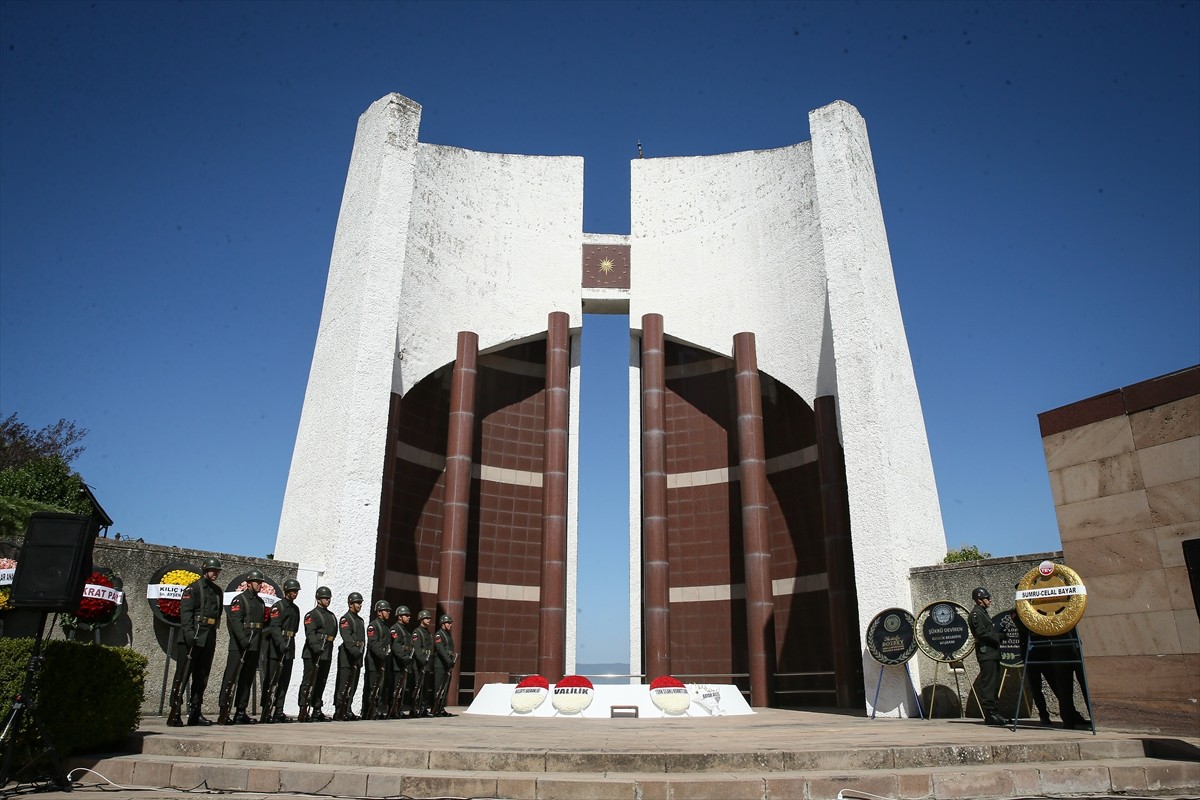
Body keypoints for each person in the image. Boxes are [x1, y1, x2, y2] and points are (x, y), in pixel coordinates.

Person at [176, 556, 224, 726]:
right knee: (183, 675)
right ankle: (175, 710)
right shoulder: (194, 588)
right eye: (213, 570)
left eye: (217, 571)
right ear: (205, 570)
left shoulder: (218, 591)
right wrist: (189, 634)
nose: (215, 573)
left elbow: (217, 614)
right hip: (193, 635)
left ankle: (195, 711)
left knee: (201, 677)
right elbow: (186, 613)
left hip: (208, 636)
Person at [218, 569, 266, 724]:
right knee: (231, 677)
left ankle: (241, 710)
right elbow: (236, 622)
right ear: (248, 583)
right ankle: (224, 709)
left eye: (260, 582)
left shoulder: (260, 602)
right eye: (256, 582)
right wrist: (243, 639)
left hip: (254, 644)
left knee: (247, 678)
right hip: (239, 645)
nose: (259, 585)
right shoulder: (240, 600)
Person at [262, 577, 301, 723]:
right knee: (272, 679)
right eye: (292, 591)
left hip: (289, 646)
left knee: (284, 680)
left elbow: (295, 628)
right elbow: (275, 627)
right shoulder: (278, 607)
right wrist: (280, 643)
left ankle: (279, 709)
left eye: (296, 591)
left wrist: (287, 646)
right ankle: (266, 708)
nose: (295, 593)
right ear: (286, 591)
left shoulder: (295, 609)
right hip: (277, 647)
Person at [968, 586, 1006, 726]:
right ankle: (990, 713)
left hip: (992, 653)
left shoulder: (983, 612)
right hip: (986, 653)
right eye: (987, 598)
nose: (990, 600)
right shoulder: (976, 614)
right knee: (989, 684)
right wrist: (1000, 636)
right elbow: (982, 633)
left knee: (995, 684)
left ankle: (995, 712)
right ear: (979, 600)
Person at [299, 586, 337, 722]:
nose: (327, 600)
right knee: (308, 681)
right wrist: (316, 648)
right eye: (325, 598)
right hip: (312, 653)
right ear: (318, 599)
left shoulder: (332, 616)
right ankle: (303, 708)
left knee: (321, 681)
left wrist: (325, 650)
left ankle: (316, 709)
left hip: (326, 653)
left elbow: (333, 634)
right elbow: (310, 634)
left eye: (329, 598)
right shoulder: (312, 615)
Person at [334, 591, 366, 720]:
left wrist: (360, 654)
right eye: (357, 603)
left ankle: (348, 709)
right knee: (343, 684)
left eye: (360, 603)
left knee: (353, 685)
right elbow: (347, 638)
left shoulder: (360, 620)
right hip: (348, 656)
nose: (359, 605)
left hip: (357, 656)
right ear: (350, 603)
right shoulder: (345, 619)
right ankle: (339, 709)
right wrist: (354, 651)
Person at [363, 599, 392, 719]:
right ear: (379, 612)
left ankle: (378, 709)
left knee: (381, 686)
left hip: (383, 661)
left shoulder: (386, 627)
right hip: (374, 661)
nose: (388, 613)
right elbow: (373, 644)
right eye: (386, 611)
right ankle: (368, 710)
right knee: (372, 686)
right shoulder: (373, 626)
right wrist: (383, 655)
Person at [388, 605, 415, 718]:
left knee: (402, 688)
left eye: (409, 615)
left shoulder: (406, 632)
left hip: (405, 663)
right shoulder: (395, 629)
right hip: (397, 664)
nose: (409, 617)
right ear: (399, 617)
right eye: (406, 615)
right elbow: (396, 646)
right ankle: (392, 709)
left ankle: (398, 709)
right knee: (395, 688)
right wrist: (404, 657)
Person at [410, 609, 436, 717]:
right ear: (421, 619)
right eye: (426, 618)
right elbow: (417, 649)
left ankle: (423, 708)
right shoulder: (417, 632)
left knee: (425, 688)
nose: (428, 620)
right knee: (418, 687)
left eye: (429, 618)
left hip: (427, 665)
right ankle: (414, 708)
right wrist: (422, 660)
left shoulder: (429, 634)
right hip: (419, 665)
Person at [432, 613, 458, 717]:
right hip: (440, 664)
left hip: (447, 664)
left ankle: (441, 708)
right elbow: (441, 649)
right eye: (448, 623)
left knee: (445, 687)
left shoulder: (448, 635)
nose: (450, 625)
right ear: (443, 624)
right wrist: (448, 660)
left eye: (450, 623)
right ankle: (435, 707)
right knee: (438, 687)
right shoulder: (439, 634)